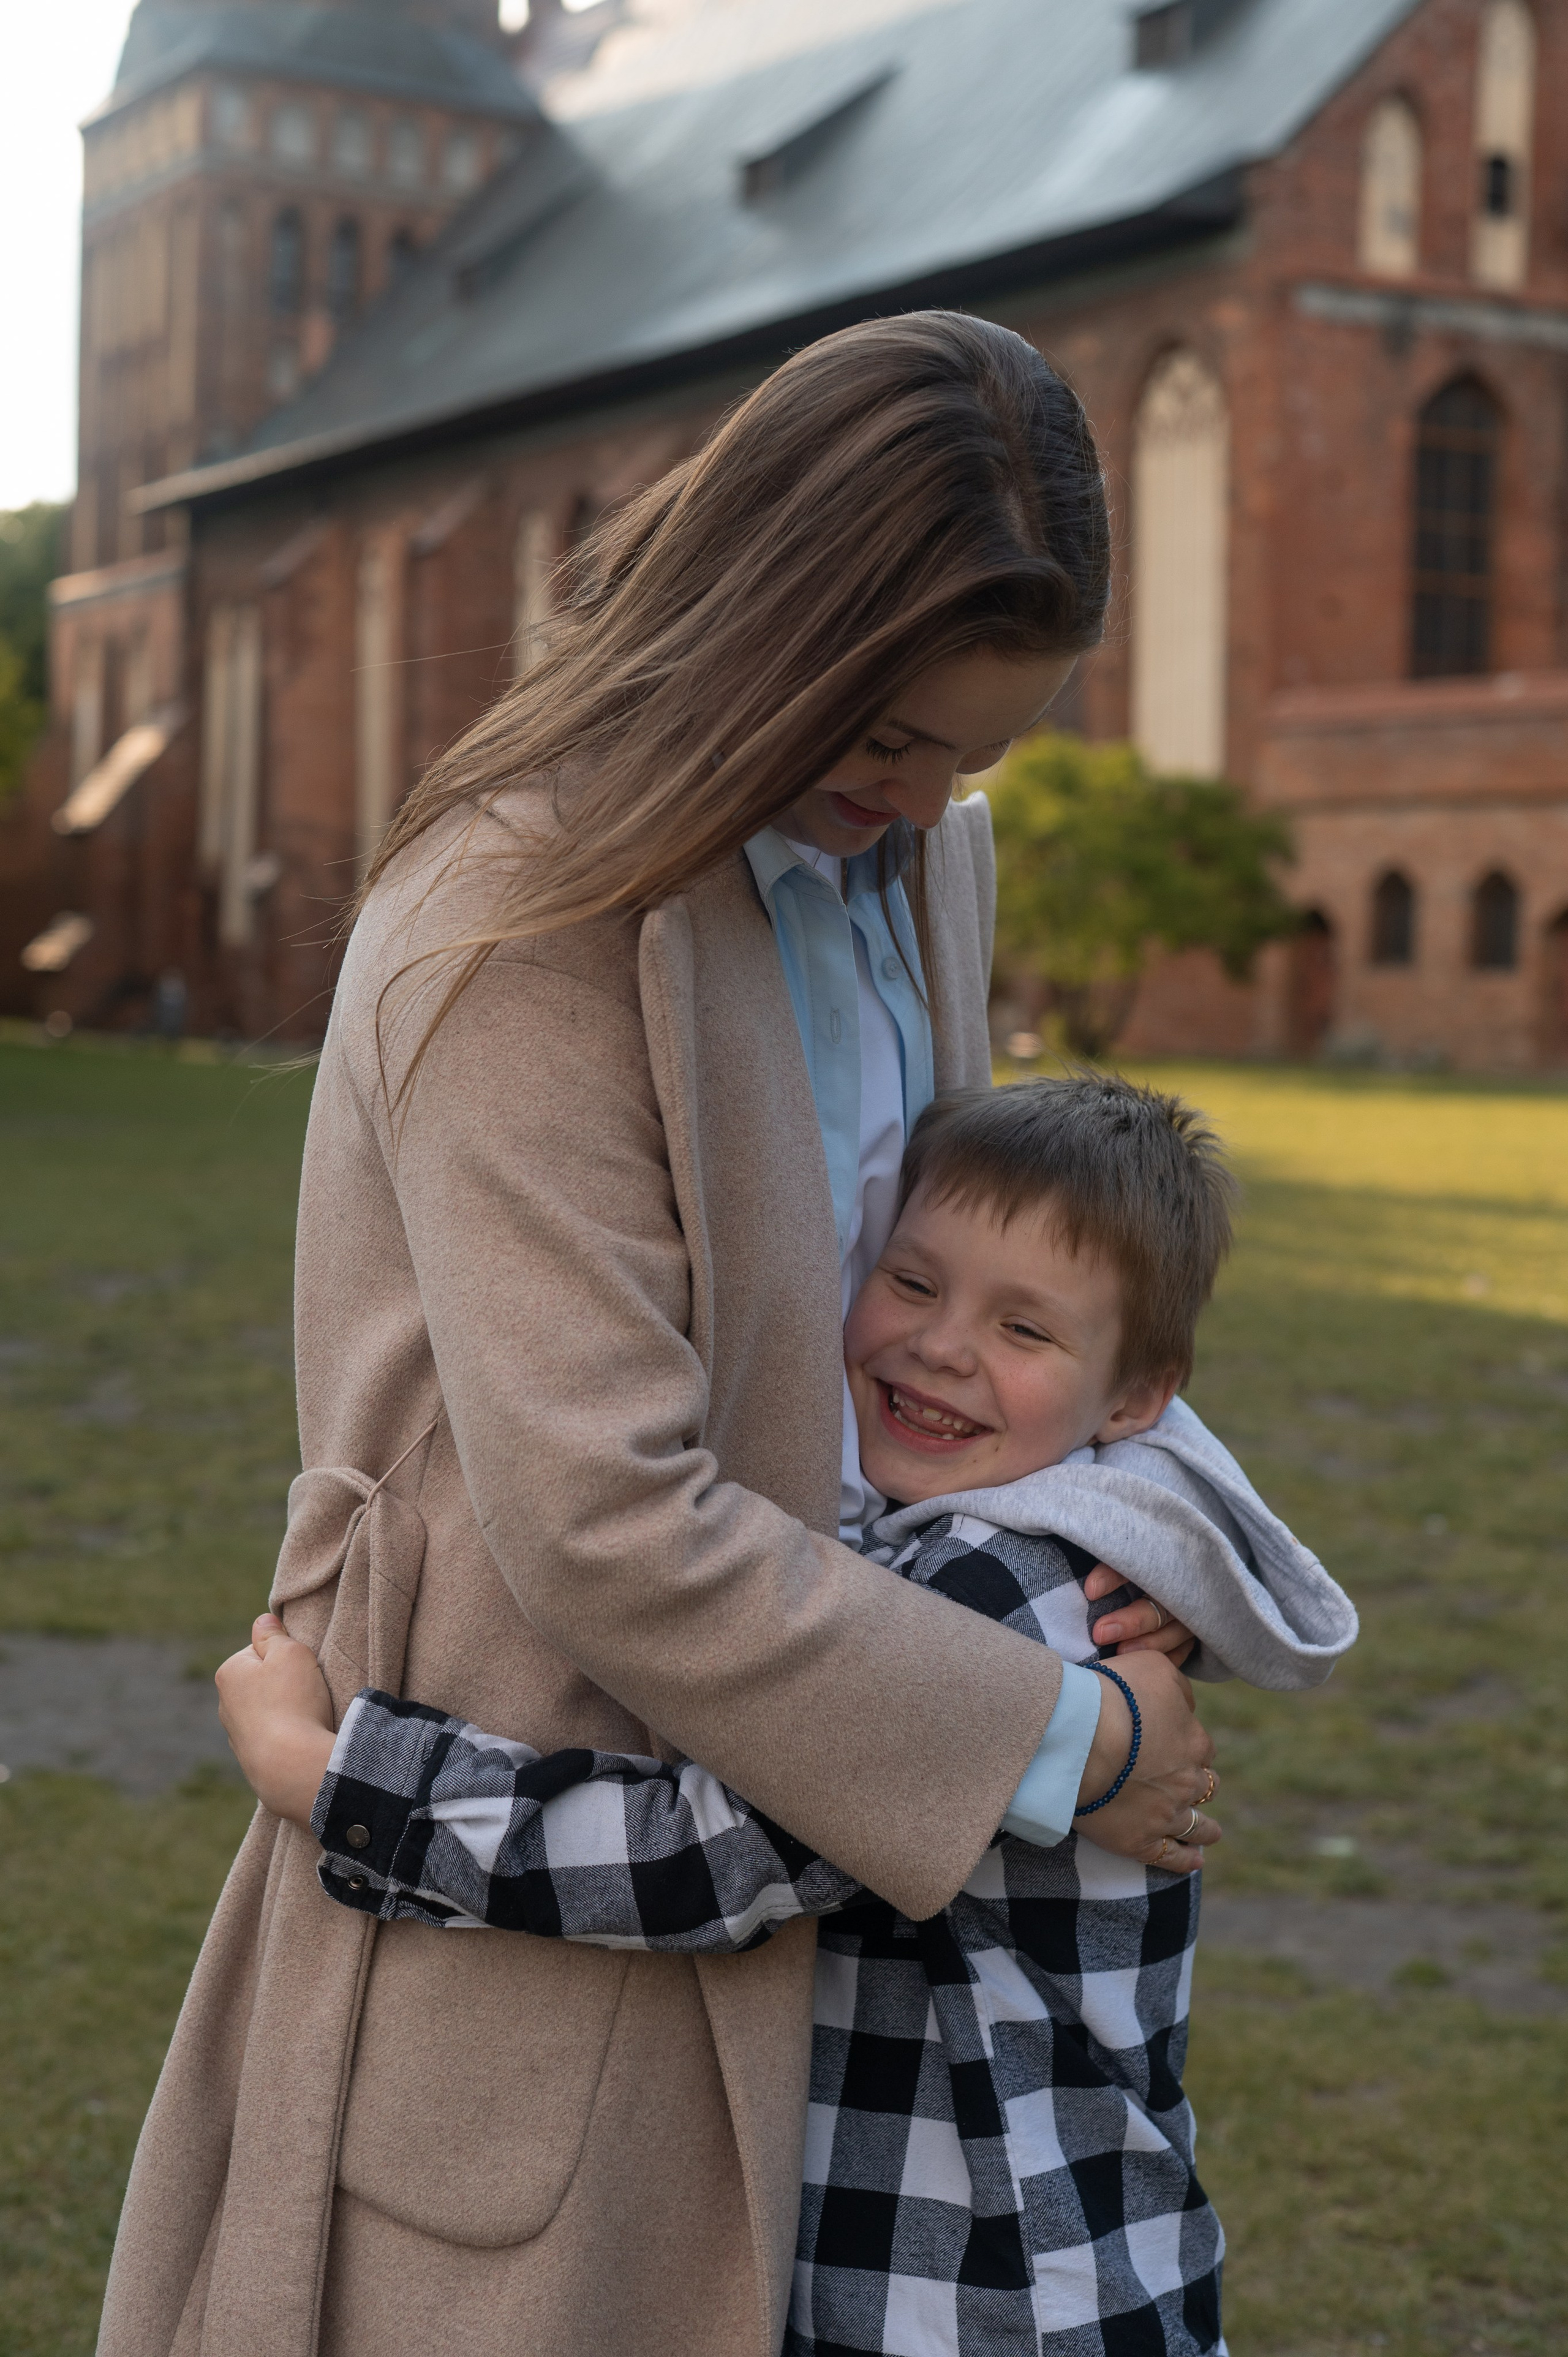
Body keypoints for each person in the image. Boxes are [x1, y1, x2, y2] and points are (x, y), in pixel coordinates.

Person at [99, 313, 1220, 2357]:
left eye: (974, 754)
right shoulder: (515, 911)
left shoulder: (915, 864)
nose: (920, 796)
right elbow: (607, 1517)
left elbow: (952, 1316)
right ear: (765, 625)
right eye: (887, 734)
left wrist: (1121, 1578)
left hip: (825, 1870)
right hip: (538, 1843)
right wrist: (1066, 1741)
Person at [220, 1076, 1358, 2357]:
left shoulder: (996, 1595)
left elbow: (707, 1854)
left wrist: (345, 1781)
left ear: (1136, 1397)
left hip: (991, 2290)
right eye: (914, 1283)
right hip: (1037, 2266)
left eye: (1023, 1329)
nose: (940, 1346)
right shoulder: (1027, 1546)